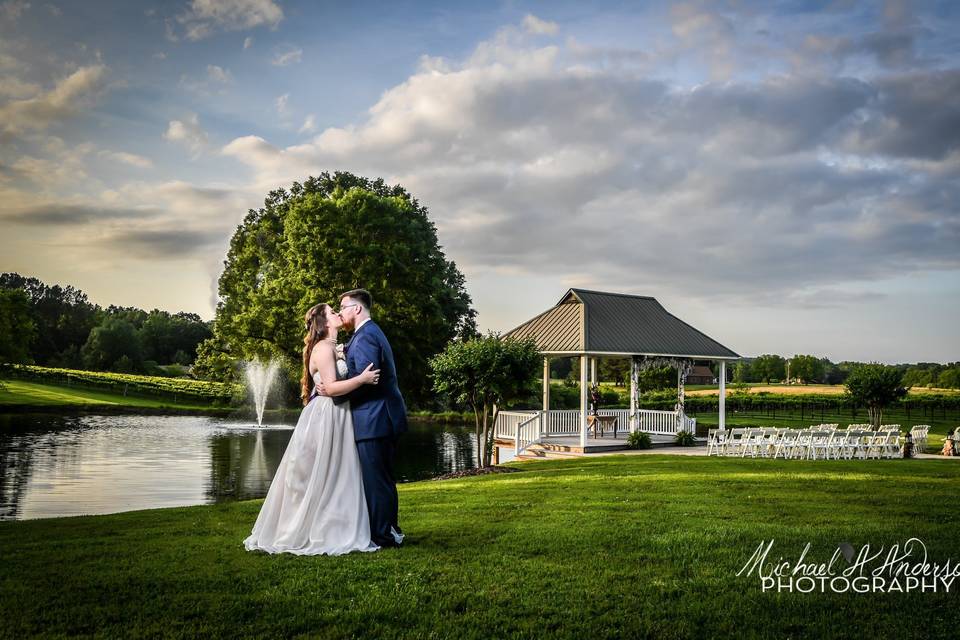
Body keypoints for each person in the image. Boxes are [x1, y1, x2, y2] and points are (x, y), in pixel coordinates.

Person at [243, 303, 382, 556]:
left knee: (336, 473)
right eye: (332, 312)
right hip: (327, 415)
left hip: (337, 414)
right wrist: (362, 379)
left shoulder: (332, 347)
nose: (338, 313)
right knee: (321, 471)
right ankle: (314, 528)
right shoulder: (323, 348)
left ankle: (334, 523)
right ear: (323, 322)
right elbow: (332, 387)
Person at [317, 289, 408, 548]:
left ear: (356, 309)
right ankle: (388, 529)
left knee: (377, 480)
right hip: (378, 418)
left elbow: (369, 382)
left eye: (343, 307)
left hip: (376, 419)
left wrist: (333, 391)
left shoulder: (366, 336)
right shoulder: (365, 335)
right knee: (381, 479)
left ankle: (383, 536)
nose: (340, 312)